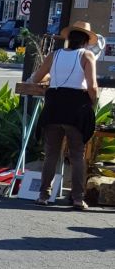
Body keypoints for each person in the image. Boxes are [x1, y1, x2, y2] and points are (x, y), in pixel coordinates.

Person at [29, 19, 99, 210]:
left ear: (69, 38)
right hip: (76, 107)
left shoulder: (55, 54)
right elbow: (92, 86)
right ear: (86, 41)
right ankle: (77, 198)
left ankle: (43, 194)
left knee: (51, 153)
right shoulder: (87, 55)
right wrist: (93, 101)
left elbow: (37, 78)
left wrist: (52, 76)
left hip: (54, 106)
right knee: (76, 154)